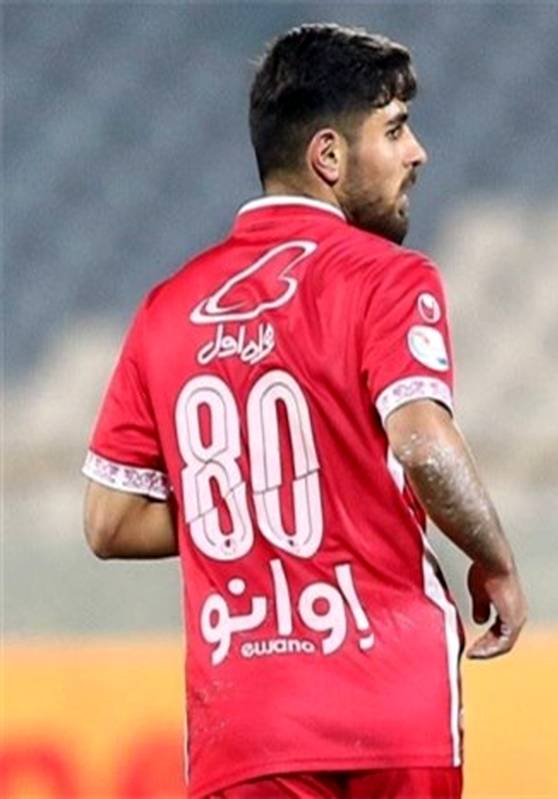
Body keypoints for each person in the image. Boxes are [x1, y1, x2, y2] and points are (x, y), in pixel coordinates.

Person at [80, 23, 527, 799]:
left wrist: (254, 501)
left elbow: (109, 522)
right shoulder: (388, 278)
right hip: (395, 701)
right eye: (394, 129)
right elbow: (423, 443)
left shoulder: (166, 310)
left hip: (247, 721)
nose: (417, 152)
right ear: (329, 157)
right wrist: (496, 561)